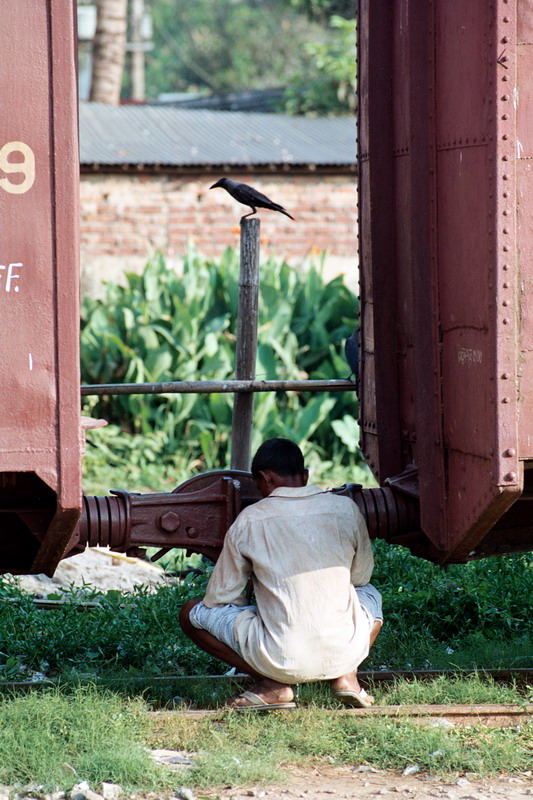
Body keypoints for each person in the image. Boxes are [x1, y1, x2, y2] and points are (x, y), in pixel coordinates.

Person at [180, 438, 382, 710]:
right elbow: (360, 577)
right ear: (306, 476)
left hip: (278, 657)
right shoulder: (346, 509)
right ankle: (347, 677)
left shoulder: (250, 519)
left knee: (191, 613)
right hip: (345, 650)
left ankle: (271, 685)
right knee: (370, 593)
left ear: (265, 478)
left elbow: (221, 597)